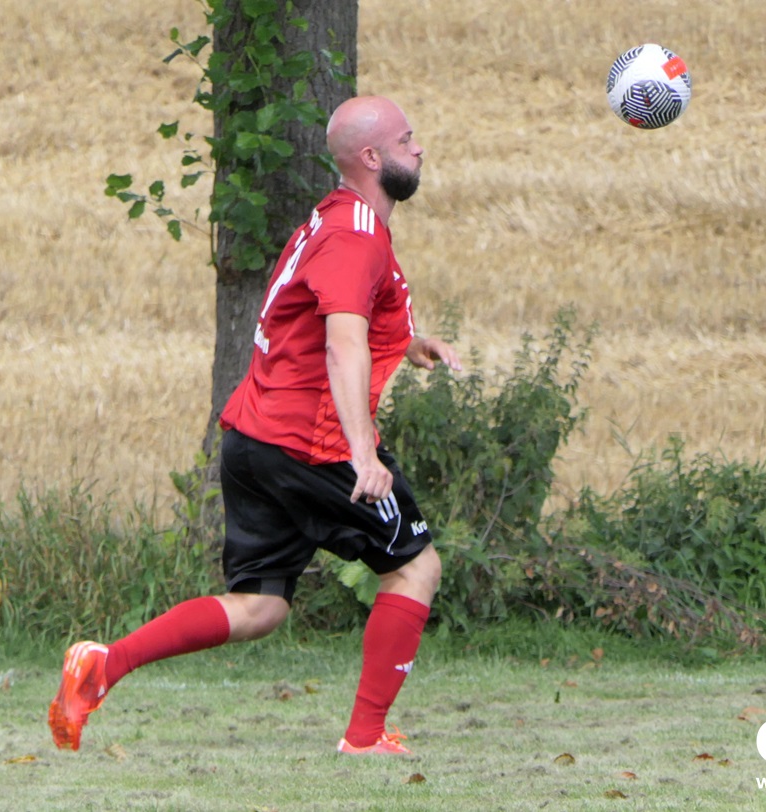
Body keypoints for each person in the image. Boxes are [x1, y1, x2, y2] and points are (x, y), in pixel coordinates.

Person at [48, 95, 461, 756]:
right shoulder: (355, 235)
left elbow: (318, 312)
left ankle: (103, 664)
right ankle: (365, 738)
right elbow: (341, 344)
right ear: (372, 157)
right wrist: (362, 454)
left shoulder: (337, 216)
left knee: (260, 606)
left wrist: (407, 341)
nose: (420, 149)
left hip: (255, 435)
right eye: (407, 140)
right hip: (312, 444)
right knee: (415, 567)